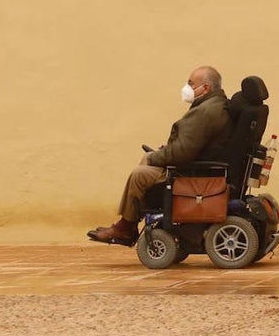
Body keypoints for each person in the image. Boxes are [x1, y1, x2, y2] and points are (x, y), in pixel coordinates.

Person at [88, 65, 229, 246]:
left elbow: (182, 153)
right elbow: (190, 145)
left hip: (189, 172)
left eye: (191, 83)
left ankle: (126, 227)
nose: (187, 88)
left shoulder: (205, 112)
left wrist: (159, 156)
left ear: (206, 88)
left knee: (139, 174)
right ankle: (127, 223)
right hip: (194, 162)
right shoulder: (214, 105)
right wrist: (166, 151)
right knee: (146, 161)